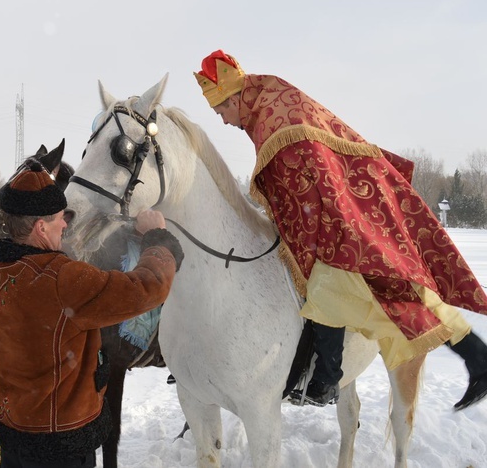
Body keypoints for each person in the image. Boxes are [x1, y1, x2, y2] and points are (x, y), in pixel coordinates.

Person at [194, 50, 487, 409]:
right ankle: (479, 359)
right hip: (346, 207)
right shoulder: (273, 100)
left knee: (330, 285)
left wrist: (298, 239)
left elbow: (301, 187)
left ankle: (326, 379)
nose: (223, 121)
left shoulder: (275, 120)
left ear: (235, 96)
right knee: (395, 288)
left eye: (221, 110)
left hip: (339, 215)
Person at [0, 162, 184, 468]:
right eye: (61, 219)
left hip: (15, 429)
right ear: (40, 227)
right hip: (61, 443)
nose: (65, 225)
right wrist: (157, 239)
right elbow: (147, 288)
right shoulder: (62, 279)